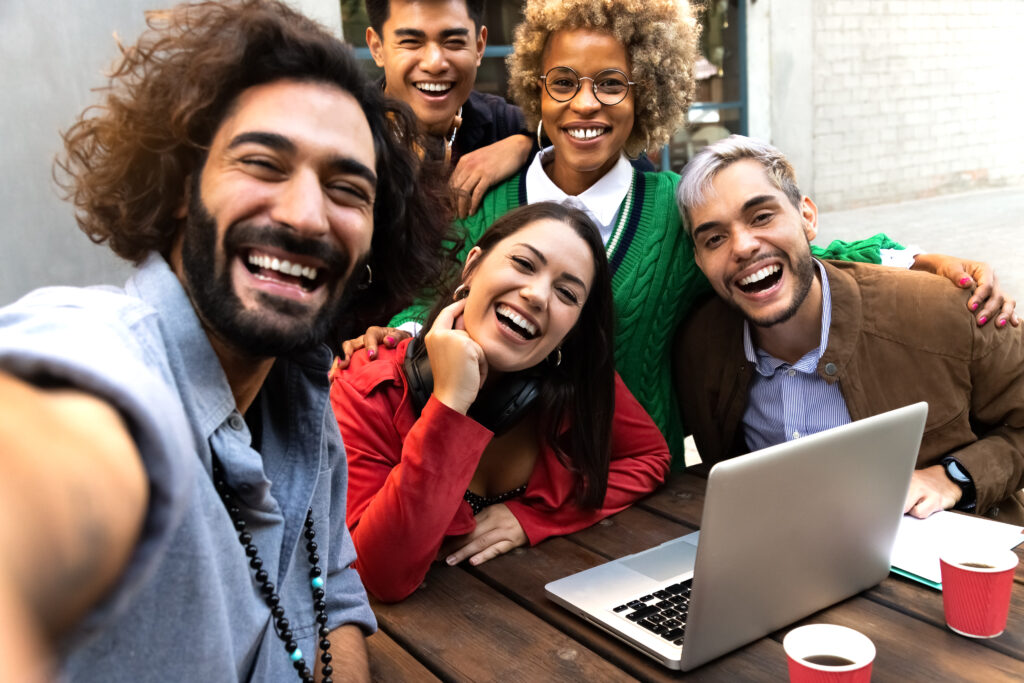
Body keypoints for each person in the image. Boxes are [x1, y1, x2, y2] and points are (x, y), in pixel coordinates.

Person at [0, 1, 451, 680]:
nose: (305, 215)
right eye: (264, 163)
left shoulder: (301, 397)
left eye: (347, 189)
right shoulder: (106, 359)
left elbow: (332, 591)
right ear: (184, 187)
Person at [358, 0, 1014, 466]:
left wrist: (918, 257)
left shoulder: (677, 209)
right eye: (564, 83)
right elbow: (434, 295)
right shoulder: (483, 190)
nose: (585, 104)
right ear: (538, 88)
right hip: (502, 482)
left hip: (637, 486)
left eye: (612, 83)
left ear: (649, 95)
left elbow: (792, 253)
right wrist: (392, 337)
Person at [331, 202, 672, 602]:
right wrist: (448, 406)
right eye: (525, 264)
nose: (537, 295)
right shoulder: (366, 385)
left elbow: (650, 459)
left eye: (566, 292)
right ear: (473, 267)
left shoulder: (576, 381)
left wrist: (534, 518)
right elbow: (378, 577)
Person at [674, 135, 1024, 524]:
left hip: (955, 568)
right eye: (715, 238)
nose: (742, 246)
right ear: (699, 259)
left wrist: (953, 477)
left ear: (807, 217)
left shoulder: (942, 309)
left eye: (762, 217)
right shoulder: (698, 347)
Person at [365, 0, 533, 217]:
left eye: (453, 42)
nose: (434, 64)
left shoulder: (504, 125)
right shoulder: (346, 129)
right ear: (377, 48)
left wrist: (523, 145)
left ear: (479, 47)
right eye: (411, 42)